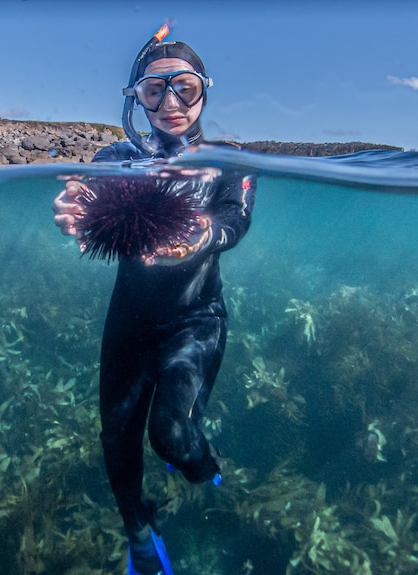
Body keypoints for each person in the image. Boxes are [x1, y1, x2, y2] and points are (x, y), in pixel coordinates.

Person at [52, 26, 256, 575]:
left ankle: (197, 463)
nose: (169, 104)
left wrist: (201, 233)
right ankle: (140, 536)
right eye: (153, 91)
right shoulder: (118, 157)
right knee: (117, 436)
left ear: (204, 91)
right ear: (136, 99)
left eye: (183, 88)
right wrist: (75, 205)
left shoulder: (226, 161)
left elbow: (235, 221)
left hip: (195, 319)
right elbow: (85, 194)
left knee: (170, 436)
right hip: (129, 323)